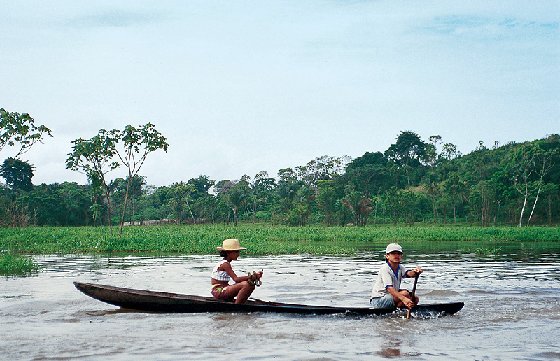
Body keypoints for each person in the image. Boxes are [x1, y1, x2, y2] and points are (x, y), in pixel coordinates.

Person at [370, 243, 423, 310]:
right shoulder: (385, 268)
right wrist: (404, 299)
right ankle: (398, 309)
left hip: (390, 297)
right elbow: (389, 289)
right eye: (393, 253)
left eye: (398, 254)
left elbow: (408, 273)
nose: (396, 256)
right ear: (387, 256)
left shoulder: (400, 267)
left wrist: (415, 272)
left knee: (415, 299)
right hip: (378, 300)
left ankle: (398, 311)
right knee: (404, 294)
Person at [210, 238, 263, 304]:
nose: (238, 254)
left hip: (224, 289)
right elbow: (236, 279)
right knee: (246, 284)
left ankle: (239, 303)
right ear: (228, 253)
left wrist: (252, 277)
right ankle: (237, 306)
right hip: (218, 290)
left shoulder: (226, 263)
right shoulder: (225, 264)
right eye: (236, 252)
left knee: (250, 284)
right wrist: (251, 276)